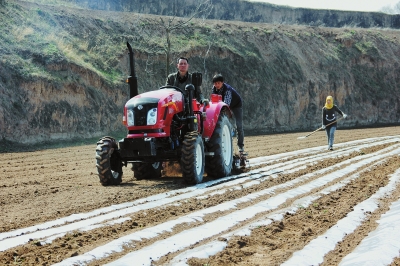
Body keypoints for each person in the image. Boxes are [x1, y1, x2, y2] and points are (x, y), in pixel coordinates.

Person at [211, 74, 245, 153]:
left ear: (222, 82)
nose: (217, 85)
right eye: (215, 83)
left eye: (218, 83)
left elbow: (226, 104)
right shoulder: (214, 89)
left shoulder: (228, 90)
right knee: (221, 121)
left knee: (239, 126)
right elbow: (214, 101)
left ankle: (240, 146)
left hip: (236, 105)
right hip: (224, 104)